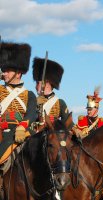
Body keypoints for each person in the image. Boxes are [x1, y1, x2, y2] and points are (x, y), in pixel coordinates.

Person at [0, 41, 37, 198]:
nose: (3, 74)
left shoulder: (29, 95)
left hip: (22, 133)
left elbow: (30, 115)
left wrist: (22, 127)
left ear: (18, 72)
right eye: (3, 70)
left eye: (7, 71)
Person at [32, 57, 73, 131]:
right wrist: (35, 105)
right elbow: (28, 119)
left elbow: (67, 122)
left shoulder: (59, 102)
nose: (35, 86)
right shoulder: (33, 101)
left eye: (38, 83)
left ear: (47, 83)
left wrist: (75, 129)